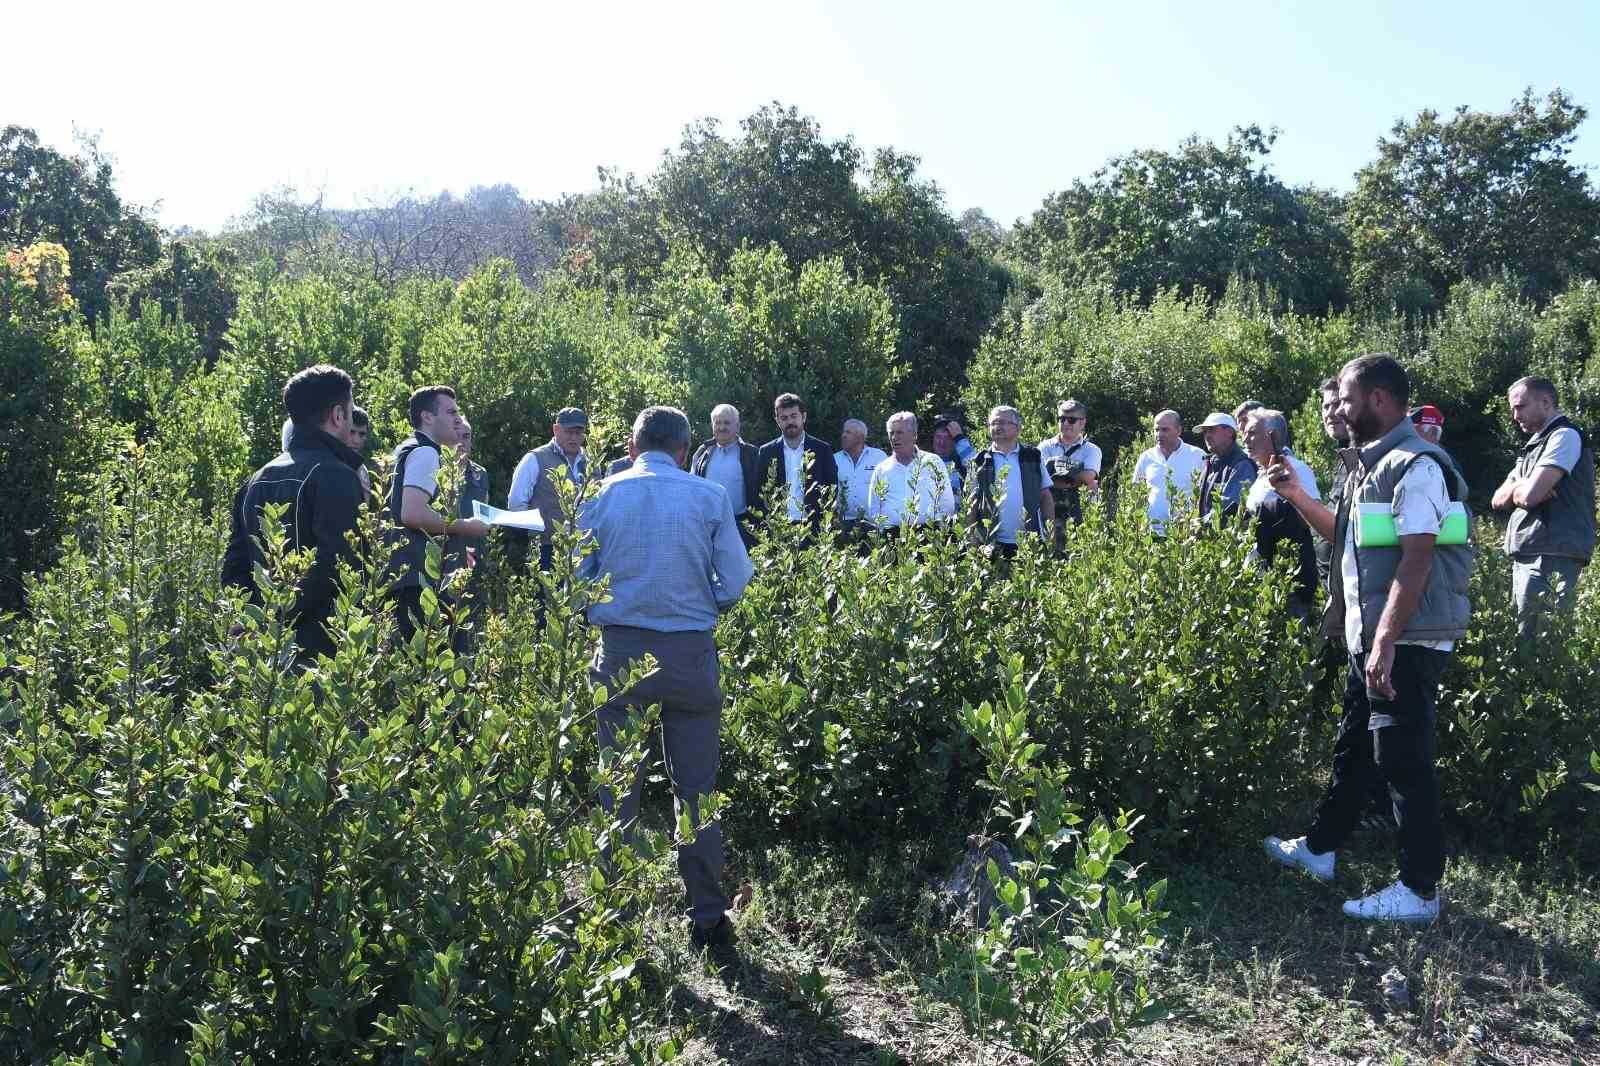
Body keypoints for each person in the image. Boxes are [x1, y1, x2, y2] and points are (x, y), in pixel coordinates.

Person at [1263, 353, 1472, 924]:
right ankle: (1320, 850)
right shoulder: (1369, 464)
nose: (1340, 412)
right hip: (1373, 635)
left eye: (1347, 402)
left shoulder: (1417, 466)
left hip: (1404, 638)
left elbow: (1417, 560)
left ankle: (1420, 889)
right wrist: (1298, 498)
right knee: (1356, 747)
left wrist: (1383, 643)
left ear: (1379, 399)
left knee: (1403, 757)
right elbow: (1349, 537)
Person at [577, 405, 754, 949]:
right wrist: (705, 604)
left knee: (618, 786)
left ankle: (612, 912)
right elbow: (737, 578)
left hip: (621, 651)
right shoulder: (708, 497)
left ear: (632, 448)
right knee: (697, 790)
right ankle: (707, 917)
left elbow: (572, 579)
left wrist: (599, 612)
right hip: (689, 653)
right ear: (684, 451)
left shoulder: (600, 495)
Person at [223, 365, 367, 661]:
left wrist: (252, 621)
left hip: (260, 653)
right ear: (338, 415)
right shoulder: (336, 475)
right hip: (321, 651)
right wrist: (276, 618)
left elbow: (235, 566)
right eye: (351, 413)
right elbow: (337, 567)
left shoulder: (256, 478)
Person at [1492, 376, 1595, 639]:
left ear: (1546, 402)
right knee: (1523, 637)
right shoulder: (1536, 444)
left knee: (1539, 643)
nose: (1515, 416)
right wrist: (1522, 488)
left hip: (1551, 553)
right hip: (1534, 551)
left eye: (1521, 407)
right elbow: (1497, 499)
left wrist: (1523, 489)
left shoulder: (1564, 437)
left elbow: (1531, 497)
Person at [388, 386, 490, 641]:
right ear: (428, 417)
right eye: (451, 411)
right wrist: (465, 526)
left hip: (409, 577)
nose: (458, 419)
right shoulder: (426, 452)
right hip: (422, 582)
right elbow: (412, 514)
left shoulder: (409, 448)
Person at [1240, 409, 1319, 615]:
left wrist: (1263, 514)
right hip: (1261, 584)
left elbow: (1311, 518)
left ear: (1273, 435)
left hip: (1288, 582)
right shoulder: (1261, 476)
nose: (1245, 438)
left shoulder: (1295, 470)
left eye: (1252, 432)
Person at [508, 408, 591, 571]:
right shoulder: (535, 458)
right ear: (556, 429)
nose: (574, 437)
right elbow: (516, 505)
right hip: (546, 550)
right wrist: (537, 534)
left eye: (578, 432)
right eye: (569, 432)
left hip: (584, 550)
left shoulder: (590, 462)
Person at [969, 405, 1056, 556]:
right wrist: (971, 538)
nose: (997, 427)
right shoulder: (980, 461)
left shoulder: (1033, 457)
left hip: (1030, 542)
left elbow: (1045, 495)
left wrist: (1051, 532)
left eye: (1002, 422)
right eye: (993, 423)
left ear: (1018, 428)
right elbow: (971, 502)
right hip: (990, 544)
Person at [756, 393, 838, 529]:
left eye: (794, 416)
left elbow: (832, 487)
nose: (790, 422)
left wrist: (826, 520)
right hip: (778, 527)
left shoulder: (822, 450)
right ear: (777, 420)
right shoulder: (766, 452)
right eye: (784, 418)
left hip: (814, 526)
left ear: (803, 417)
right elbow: (759, 489)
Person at [866, 412, 957, 530]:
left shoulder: (933, 462)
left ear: (914, 435)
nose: (894, 437)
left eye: (899, 432)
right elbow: (873, 507)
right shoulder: (882, 469)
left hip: (928, 535)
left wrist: (937, 532)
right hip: (892, 537)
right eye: (891, 433)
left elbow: (947, 503)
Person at [690, 404, 762, 547]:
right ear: (712, 425)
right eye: (718, 422)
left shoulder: (752, 454)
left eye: (727, 423)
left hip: (741, 527)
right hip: (707, 526)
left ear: (737, 426)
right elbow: (692, 488)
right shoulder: (702, 453)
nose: (722, 427)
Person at [1131, 410, 1207, 534]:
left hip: (1185, 534)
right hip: (1150, 534)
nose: (1159, 434)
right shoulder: (1146, 457)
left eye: (1165, 430)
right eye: (1156, 430)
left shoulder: (1197, 456)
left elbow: (1205, 495)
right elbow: (1136, 492)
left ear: (1178, 430)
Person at [443, 418, 491, 581]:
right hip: (445, 552)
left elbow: (484, 509)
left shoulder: (480, 473)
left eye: (466, 436)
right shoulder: (436, 469)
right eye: (455, 437)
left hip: (473, 553)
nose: (461, 442)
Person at [1038, 399, 1101, 522]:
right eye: (1062, 419)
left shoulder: (1092, 450)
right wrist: (1076, 473)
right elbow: (1039, 477)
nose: (1066, 423)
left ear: (1082, 423)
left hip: (1079, 509)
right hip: (1048, 506)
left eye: (1071, 420)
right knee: (1048, 540)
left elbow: (1088, 477)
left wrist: (1054, 471)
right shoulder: (1044, 447)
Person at [1197, 412, 1257, 522]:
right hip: (1210, 536)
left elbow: (1230, 509)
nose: (1207, 436)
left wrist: (1200, 525)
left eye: (1211, 430)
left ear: (1229, 432)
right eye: (1205, 432)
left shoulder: (1242, 465)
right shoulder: (1210, 464)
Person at [834, 418, 889, 529]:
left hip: (873, 523)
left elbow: (889, 487)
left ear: (860, 437)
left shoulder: (879, 457)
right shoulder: (834, 459)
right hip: (843, 523)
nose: (843, 435)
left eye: (848, 432)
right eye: (843, 432)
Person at [931, 415, 976, 498]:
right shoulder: (922, 464)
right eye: (938, 437)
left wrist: (959, 438)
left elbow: (976, 466)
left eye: (947, 438)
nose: (942, 442)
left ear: (955, 442)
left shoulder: (961, 468)